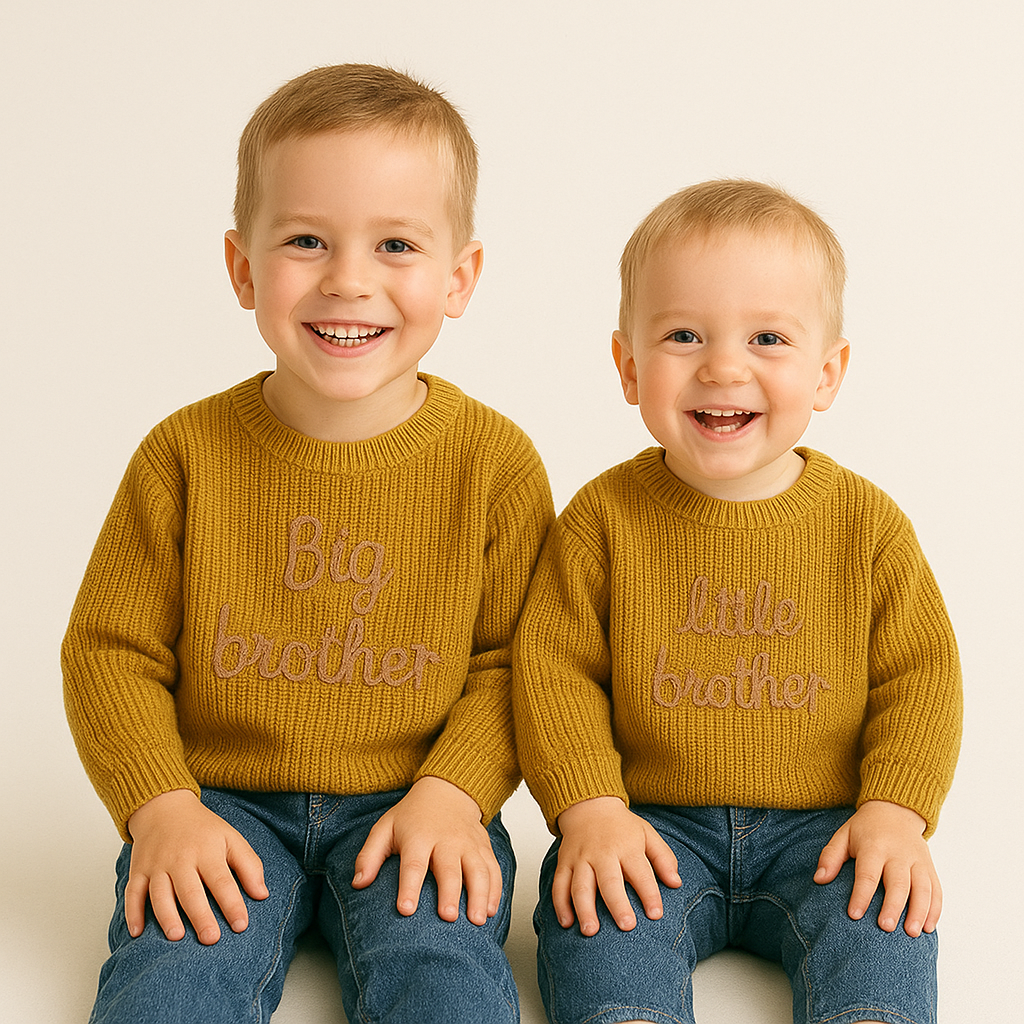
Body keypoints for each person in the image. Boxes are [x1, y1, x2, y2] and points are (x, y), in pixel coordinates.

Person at [62, 63, 553, 1024]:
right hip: (221, 806)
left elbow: (519, 662)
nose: (349, 280)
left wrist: (457, 794)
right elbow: (109, 655)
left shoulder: (493, 464)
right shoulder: (185, 455)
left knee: (441, 973)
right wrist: (160, 806)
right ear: (244, 266)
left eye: (397, 244)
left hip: (412, 803)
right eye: (305, 241)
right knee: (170, 982)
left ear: (460, 278)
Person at [512, 179, 961, 1024]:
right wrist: (591, 808)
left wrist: (895, 813)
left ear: (827, 373)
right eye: (684, 335)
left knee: (880, 933)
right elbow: (553, 671)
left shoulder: (864, 524)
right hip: (650, 828)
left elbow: (921, 675)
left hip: (827, 835)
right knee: (602, 932)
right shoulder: (603, 519)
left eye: (767, 338)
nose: (724, 366)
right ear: (629, 366)